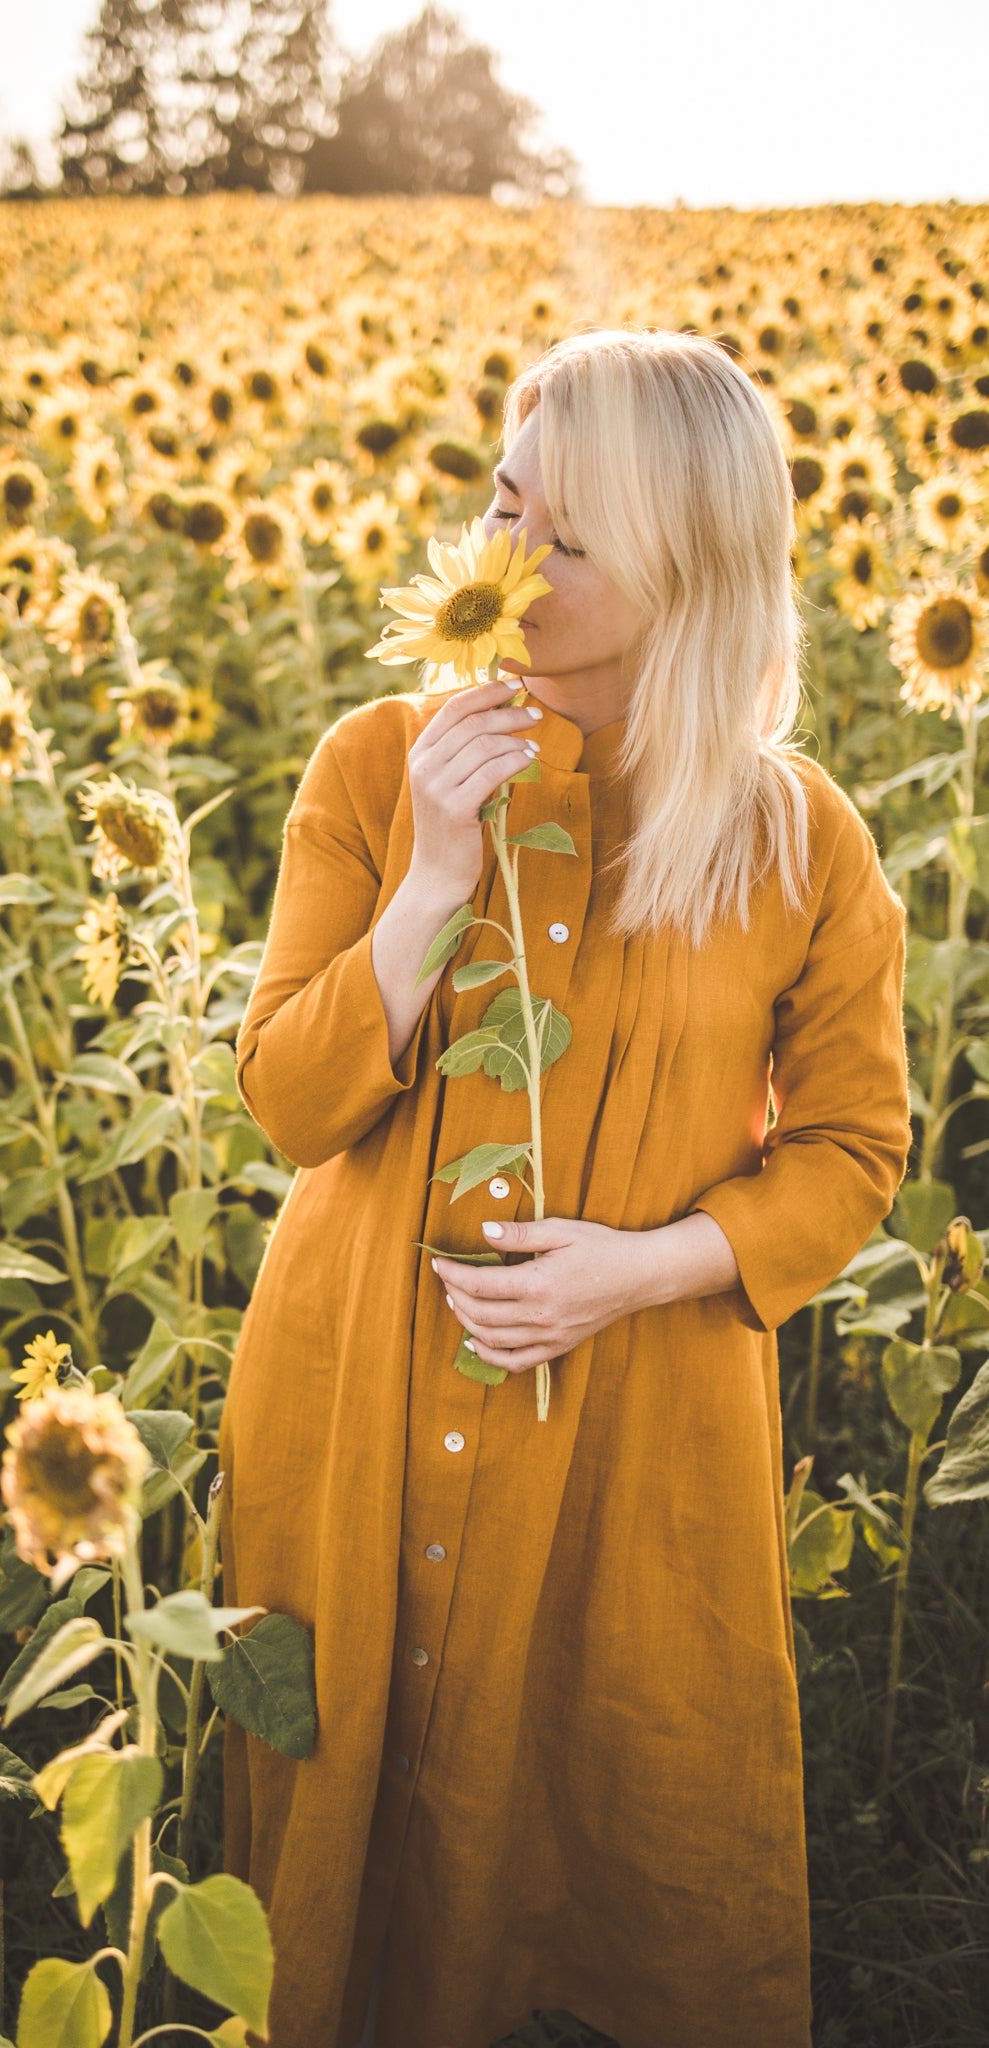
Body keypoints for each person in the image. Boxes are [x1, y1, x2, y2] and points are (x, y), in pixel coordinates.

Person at [215, 326, 911, 2048]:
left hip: (631, 1422)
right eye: (504, 505)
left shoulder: (793, 838)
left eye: (571, 539)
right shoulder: (379, 769)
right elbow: (290, 1105)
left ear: (687, 570)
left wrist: (647, 1266)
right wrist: (430, 883)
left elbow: (853, 1151)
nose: (509, 560)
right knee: (341, 1820)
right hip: (354, 1385)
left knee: (619, 1818)